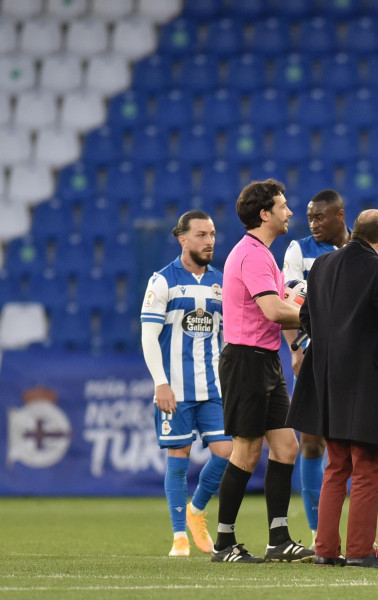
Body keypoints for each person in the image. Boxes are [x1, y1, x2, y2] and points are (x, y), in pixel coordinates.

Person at [287, 210, 378, 569]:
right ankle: (359, 550)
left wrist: (329, 348)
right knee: (368, 466)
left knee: (336, 465)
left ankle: (325, 549)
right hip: (370, 381)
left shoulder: (322, 264)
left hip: (327, 380)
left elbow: (305, 317)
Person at [213, 178, 313, 563]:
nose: (289, 212)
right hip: (245, 361)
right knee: (247, 450)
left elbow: (280, 306)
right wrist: (313, 314)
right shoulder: (252, 255)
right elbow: (273, 310)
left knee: (287, 446)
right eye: (283, 206)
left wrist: (298, 326)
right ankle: (224, 544)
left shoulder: (262, 253)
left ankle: (278, 540)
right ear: (264, 214)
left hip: (265, 359)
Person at [140, 211, 232, 557]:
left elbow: (226, 338)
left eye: (212, 234)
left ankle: (196, 512)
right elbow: (149, 336)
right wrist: (161, 383)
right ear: (183, 239)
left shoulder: (221, 283)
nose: (209, 241)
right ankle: (179, 536)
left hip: (213, 388)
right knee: (178, 458)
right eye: (202, 235)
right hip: (174, 390)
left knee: (227, 453)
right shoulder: (162, 281)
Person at [282, 189, 351, 546]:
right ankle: (316, 531)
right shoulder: (299, 249)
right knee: (311, 442)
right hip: (313, 352)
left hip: (353, 359)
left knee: (352, 444)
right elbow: (287, 299)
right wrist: (295, 348)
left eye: (319, 218)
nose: (312, 224)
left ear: (339, 216)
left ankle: (354, 534)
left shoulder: (361, 249)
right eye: (309, 218)